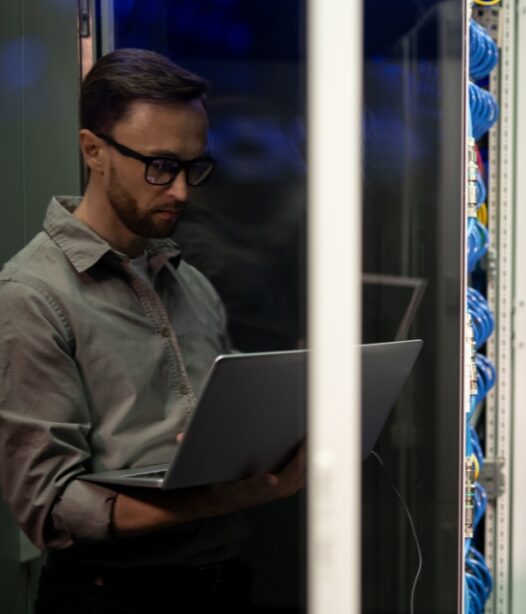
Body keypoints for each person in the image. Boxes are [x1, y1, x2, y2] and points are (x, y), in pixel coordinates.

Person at [0, 48, 304, 613]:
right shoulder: (31, 296)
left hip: (224, 579)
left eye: (194, 168)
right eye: (160, 166)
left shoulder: (192, 285)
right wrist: (213, 499)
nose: (182, 191)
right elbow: (50, 508)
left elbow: (227, 424)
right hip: (111, 596)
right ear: (94, 150)